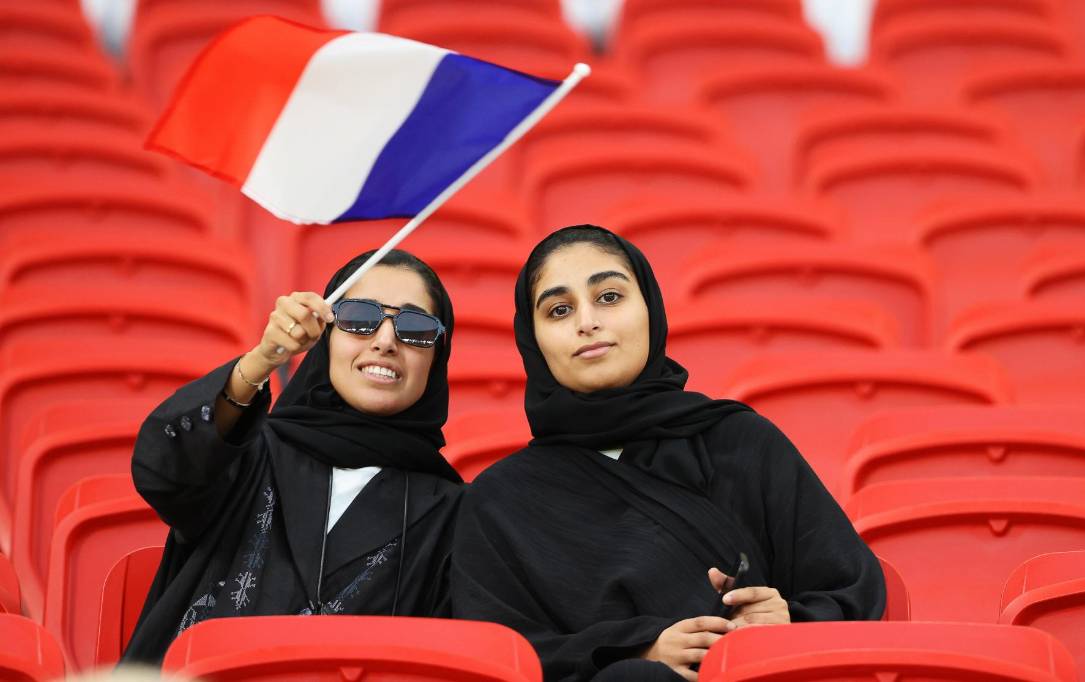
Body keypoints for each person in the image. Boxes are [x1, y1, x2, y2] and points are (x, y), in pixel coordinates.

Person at [451, 226, 886, 682]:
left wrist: (784, 620)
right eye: (560, 310)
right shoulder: (500, 499)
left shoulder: (743, 442)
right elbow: (497, 656)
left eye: (609, 297)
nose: (587, 322)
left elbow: (850, 591)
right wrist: (639, 650)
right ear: (532, 338)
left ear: (650, 310)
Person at [123, 249, 464, 663]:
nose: (385, 341)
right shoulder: (245, 454)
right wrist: (263, 358)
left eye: (415, 328)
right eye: (359, 317)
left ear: (437, 356)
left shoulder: (454, 513)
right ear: (326, 335)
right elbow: (163, 469)